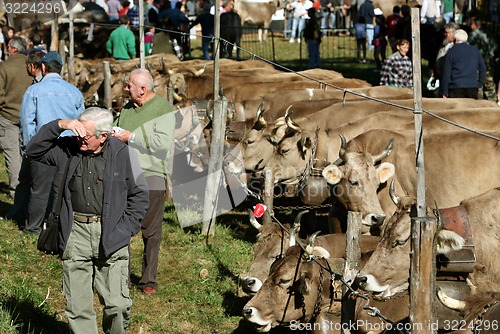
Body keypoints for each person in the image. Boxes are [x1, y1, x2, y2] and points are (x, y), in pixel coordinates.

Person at [25, 107, 149, 334]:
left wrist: (125, 229)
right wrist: (60, 125)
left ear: (104, 136)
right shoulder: (69, 149)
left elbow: (140, 195)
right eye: (79, 130)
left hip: (112, 233)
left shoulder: (124, 154)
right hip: (75, 233)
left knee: (117, 305)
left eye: (86, 134)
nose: (80, 137)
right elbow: (33, 151)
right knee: (78, 308)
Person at [113, 69, 174, 295]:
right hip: (124, 174)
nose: (125, 89)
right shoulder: (127, 108)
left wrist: (132, 137)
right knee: (121, 226)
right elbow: (117, 129)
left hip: (151, 175)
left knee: (151, 230)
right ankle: (121, 275)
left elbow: (162, 143)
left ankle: (148, 280)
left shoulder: (163, 108)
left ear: (143, 89)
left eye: (129, 86)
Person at [15, 51, 85, 234]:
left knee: (39, 189)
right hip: (68, 146)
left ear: (43, 67)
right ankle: (57, 225)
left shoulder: (34, 91)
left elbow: (27, 122)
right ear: (60, 69)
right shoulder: (74, 91)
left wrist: (30, 147)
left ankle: (33, 227)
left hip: (43, 146)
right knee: (62, 189)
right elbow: (82, 119)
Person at [0, 36, 32, 199]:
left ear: (13, 49)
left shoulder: (4, 67)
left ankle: (16, 191)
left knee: (12, 154)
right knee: (29, 153)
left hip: (8, 116)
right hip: (30, 116)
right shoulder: (32, 65)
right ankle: (29, 189)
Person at [441, 29, 486, 99]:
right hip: (472, 87)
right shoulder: (475, 50)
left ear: (456, 40)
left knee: (458, 110)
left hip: (456, 87)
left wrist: (445, 91)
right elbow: (483, 68)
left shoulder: (451, 51)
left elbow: (446, 72)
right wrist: (479, 83)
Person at [468, 16, 497, 100]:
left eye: (471, 24)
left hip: (477, 62)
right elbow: (494, 46)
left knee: (478, 84)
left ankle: (479, 104)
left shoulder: (472, 35)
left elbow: (469, 48)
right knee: (490, 84)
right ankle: (493, 104)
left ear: (474, 25)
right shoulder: (488, 34)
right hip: (488, 60)